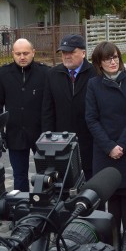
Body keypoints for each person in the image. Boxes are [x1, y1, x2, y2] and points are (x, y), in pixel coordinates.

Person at [85, 41, 126, 251]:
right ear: (99, 63)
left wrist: (122, 145)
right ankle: (113, 241)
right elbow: (91, 118)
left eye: (116, 57)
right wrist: (109, 146)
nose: (113, 61)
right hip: (104, 150)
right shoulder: (93, 85)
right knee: (111, 198)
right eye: (107, 58)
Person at [0, 38, 49, 192]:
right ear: (12, 54)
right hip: (15, 133)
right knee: (19, 175)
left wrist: (50, 132)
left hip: (41, 135)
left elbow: (50, 106)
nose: (22, 57)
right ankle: (22, 207)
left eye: (25, 53)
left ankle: (45, 208)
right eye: (18, 54)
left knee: (45, 175)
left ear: (33, 53)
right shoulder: (3, 74)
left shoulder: (45, 73)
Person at [42, 34, 95, 180]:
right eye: (64, 52)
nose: (67, 56)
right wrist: (47, 140)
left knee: (91, 189)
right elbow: (47, 110)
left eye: (71, 52)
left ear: (83, 53)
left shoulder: (95, 74)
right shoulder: (52, 74)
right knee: (66, 187)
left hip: (90, 143)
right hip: (62, 143)